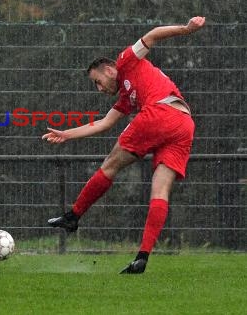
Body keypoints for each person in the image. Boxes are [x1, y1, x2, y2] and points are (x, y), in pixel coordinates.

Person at [43, 16, 206, 274]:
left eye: (97, 81)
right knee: (160, 191)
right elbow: (103, 123)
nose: (98, 88)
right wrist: (66, 134)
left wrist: (186, 30)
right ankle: (142, 257)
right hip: (183, 123)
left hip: (160, 113)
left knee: (110, 164)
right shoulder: (128, 97)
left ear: (109, 70)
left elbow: (151, 35)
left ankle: (74, 216)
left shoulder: (126, 61)